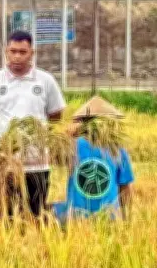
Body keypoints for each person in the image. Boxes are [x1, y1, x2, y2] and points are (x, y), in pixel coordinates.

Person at [0, 30, 67, 217]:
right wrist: (5, 137)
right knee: (5, 214)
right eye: (13, 51)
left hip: (37, 163)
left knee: (35, 212)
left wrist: (37, 133)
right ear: (6, 51)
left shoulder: (45, 81)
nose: (17, 56)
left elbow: (55, 114)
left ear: (32, 53)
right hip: (4, 163)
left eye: (22, 52)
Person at [53, 96, 134, 224]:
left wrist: (66, 136)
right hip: (110, 216)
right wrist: (125, 218)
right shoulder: (117, 148)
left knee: (49, 210)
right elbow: (125, 189)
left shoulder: (72, 145)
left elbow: (52, 157)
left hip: (76, 217)